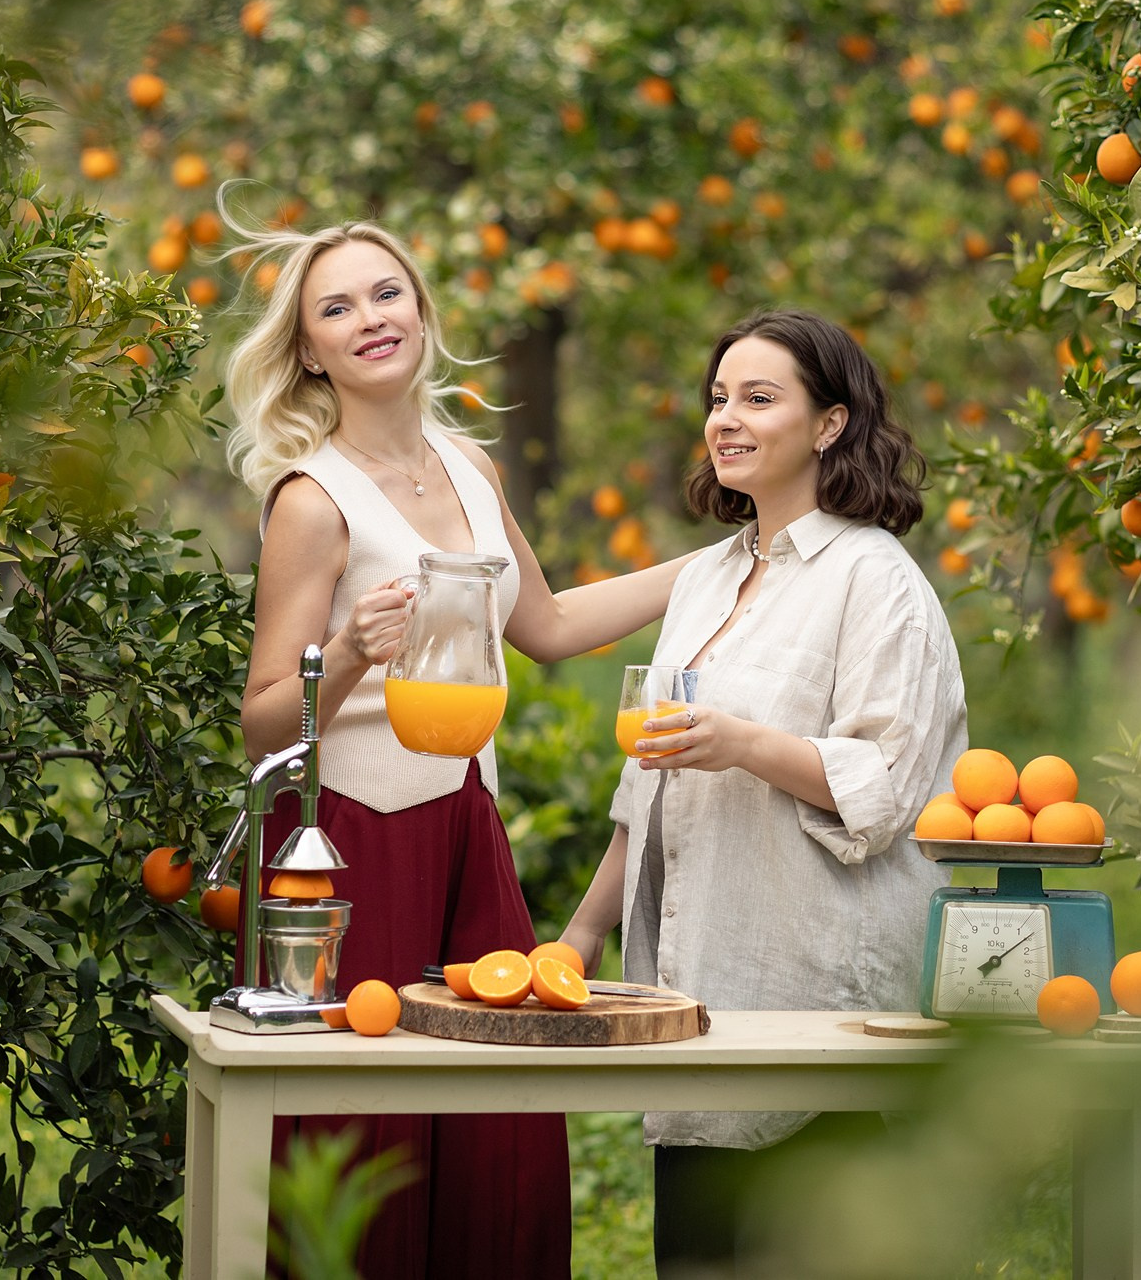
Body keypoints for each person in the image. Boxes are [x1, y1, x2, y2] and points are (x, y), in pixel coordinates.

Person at [228, 218, 697, 1280]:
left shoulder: (471, 465)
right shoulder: (313, 498)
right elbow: (262, 720)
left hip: (465, 823)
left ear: (422, 311)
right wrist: (346, 648)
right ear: (309, 349)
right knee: (370, 1131)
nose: (368, 319)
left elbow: (550, 626)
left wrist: (715, 560)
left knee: (501, 1124)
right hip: (351, 841)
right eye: (335, 308)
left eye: (385, 293)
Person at [558, 308, 969, 1274]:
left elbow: (885, 781)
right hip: (698, 974)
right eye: (716, 398)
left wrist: (746, 744)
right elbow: (646, 781)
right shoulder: (708, 578)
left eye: (757, 397)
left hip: (816, 978)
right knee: (696, 1254)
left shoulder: (876, 581)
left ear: (828, 424)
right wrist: (580, 933)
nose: (725, 419)